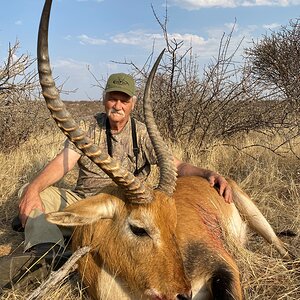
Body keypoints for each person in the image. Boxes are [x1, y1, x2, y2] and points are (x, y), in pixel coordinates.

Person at [0, 73, 232, 289]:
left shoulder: (141, 132)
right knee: (32, 192)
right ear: (104, 100)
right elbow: (63, 164)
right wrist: (33, 188)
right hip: (88, 201)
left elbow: (177, 166)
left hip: (127, 211)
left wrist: (205, 173)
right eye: (113, 98)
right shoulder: (89, 128)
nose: (117, 105)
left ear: (133, 103)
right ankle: (46, 256)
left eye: (124, 100)